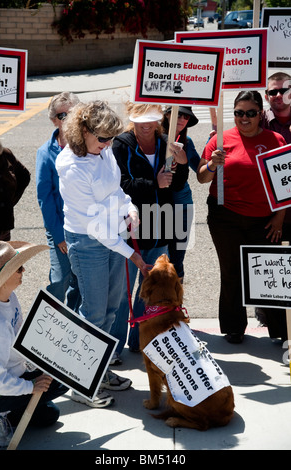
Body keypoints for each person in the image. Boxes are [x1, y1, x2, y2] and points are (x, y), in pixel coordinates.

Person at [56, 100, 148, 408]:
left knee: (111, 307)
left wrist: (130, 207)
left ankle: (100, 369)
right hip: (88, 239)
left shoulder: (103, 150)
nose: (108, 145)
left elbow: (116, 190)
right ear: (82, 131)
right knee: (94, 312)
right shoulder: (70, 166)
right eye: (102, 139)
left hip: (110, 236)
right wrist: (131, 254)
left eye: (111, 139)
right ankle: (81, 383)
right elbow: (95, 226)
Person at [197, 90, 287, 344]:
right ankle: (234, 327)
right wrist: (212, 164)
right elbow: (202, 177)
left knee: (268, 273)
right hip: (225, 217)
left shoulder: (276, 139)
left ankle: (279, 329)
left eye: (250, 113)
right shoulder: (220, 140)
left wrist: (279, 217)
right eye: (239, 113)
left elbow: (284, 183)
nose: (244, 118)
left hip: (264, 219)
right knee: (232, 272)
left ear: (260, 114)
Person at [109, 102, 189, 363]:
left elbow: (176, 183)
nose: (146, 125)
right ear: (132, 119)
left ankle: (142, 341)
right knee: (122, 291)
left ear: (159, 120)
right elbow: (119, 185)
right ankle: (114, 347)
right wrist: (152, 183)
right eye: (140, 119)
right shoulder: (121, 144)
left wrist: (183, 163)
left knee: (152, 290)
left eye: (152, 119)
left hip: (161, 225)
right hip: (131, 227)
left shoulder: (167, 142)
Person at [0, 240, 68, 448]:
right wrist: (30, 387)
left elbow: (20, 337)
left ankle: (9, 410)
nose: (24, 269)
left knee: (50, 413)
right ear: (4, 278)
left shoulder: (11, 298)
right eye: (18, 268)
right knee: (55, 387)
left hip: (13, 372)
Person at [36, 92, 81, 312]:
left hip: (84, 228)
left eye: (73, 113)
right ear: (54, 119)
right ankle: (47, 327)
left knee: (81, 285)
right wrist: (59, 236)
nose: (69, 119)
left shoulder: (88, 148)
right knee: (59, 280)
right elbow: (44, 198)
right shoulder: (45, 153)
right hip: (60, 229)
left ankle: (74, 325)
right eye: (63, 115)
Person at [254, 72, 291, 340]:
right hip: (269, 208)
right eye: (272, 93)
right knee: (271, 266)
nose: (278, 96)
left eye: (283, 90)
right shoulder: (262, 120)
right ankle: (270, 318)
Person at [161, 106, 200, 282]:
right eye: (179, 114)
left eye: (187, 116)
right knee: (157, 261)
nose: (182, 119)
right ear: (167, 114)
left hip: (182, 206)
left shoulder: (187, 141)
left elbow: (201, 170)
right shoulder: (154, 139)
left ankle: (176, 304)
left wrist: (212, 148)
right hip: (157, 206)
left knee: (177, 260)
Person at [0, 111, 30, 242]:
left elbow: (24, 177)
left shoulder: (5, 154)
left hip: (5, 231)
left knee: (7, 263)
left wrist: (8, 202)